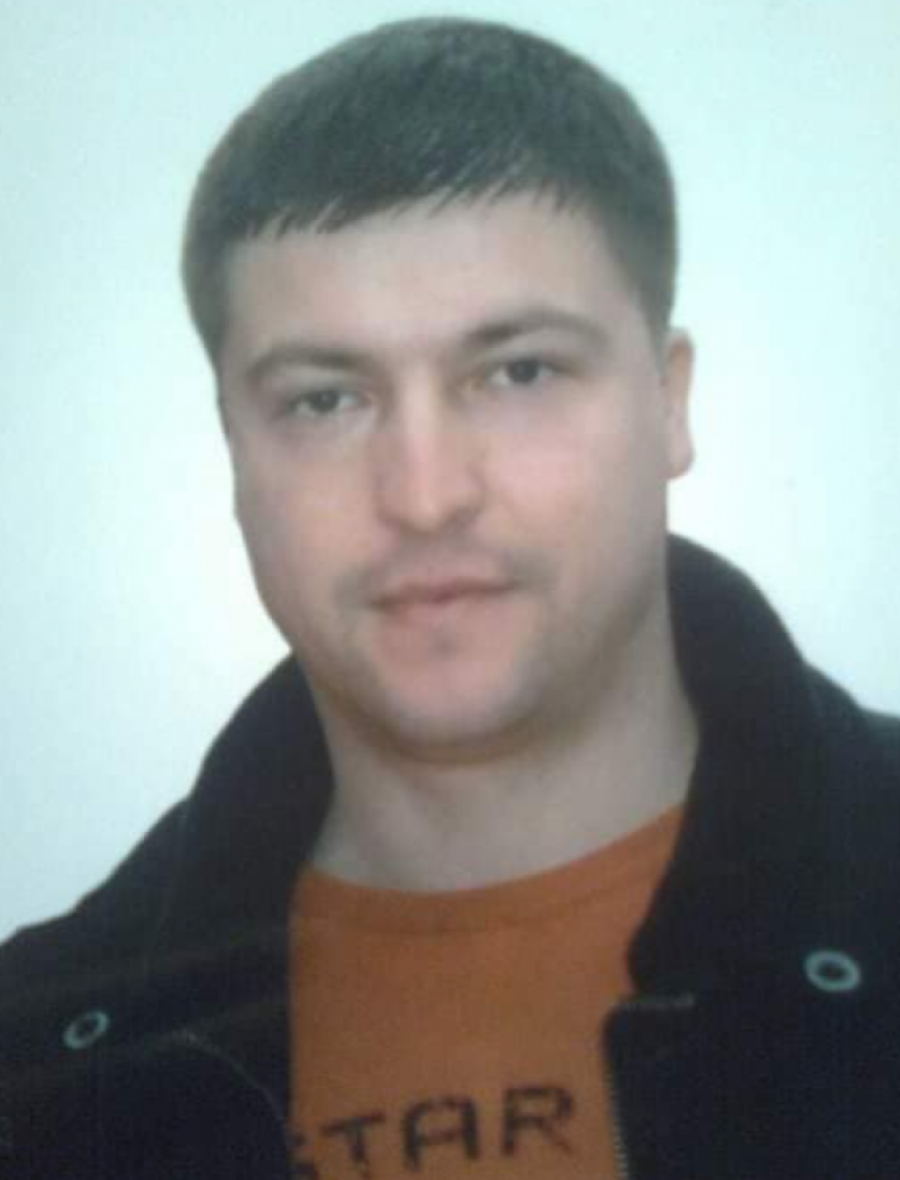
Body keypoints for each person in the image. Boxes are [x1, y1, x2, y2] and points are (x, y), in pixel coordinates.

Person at [1, 15, 898, 1180]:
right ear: (233, 447)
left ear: (669, 401)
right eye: (325, 399)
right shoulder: (36, 1068)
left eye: (518, 371)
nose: (425, 496)